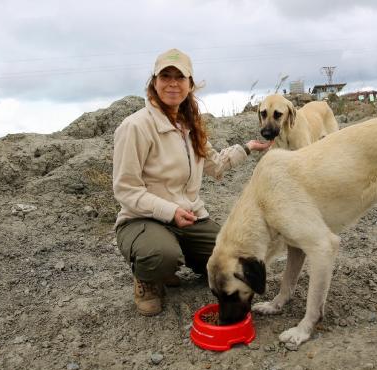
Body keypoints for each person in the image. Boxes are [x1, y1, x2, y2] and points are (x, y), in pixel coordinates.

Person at [112, 48, 272, 316]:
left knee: (226, 257)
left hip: (188, 218)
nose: (173, 83)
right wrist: (169, 211)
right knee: (159, 256)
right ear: (154, 82)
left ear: (190, 84)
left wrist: (246, 148)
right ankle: (149, 278)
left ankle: (173, 258)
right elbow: (125, 190)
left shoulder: (188, 124)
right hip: (142, 219)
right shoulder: (135, 127)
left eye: (180, 77)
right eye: (165, 76)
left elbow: (215, 164)